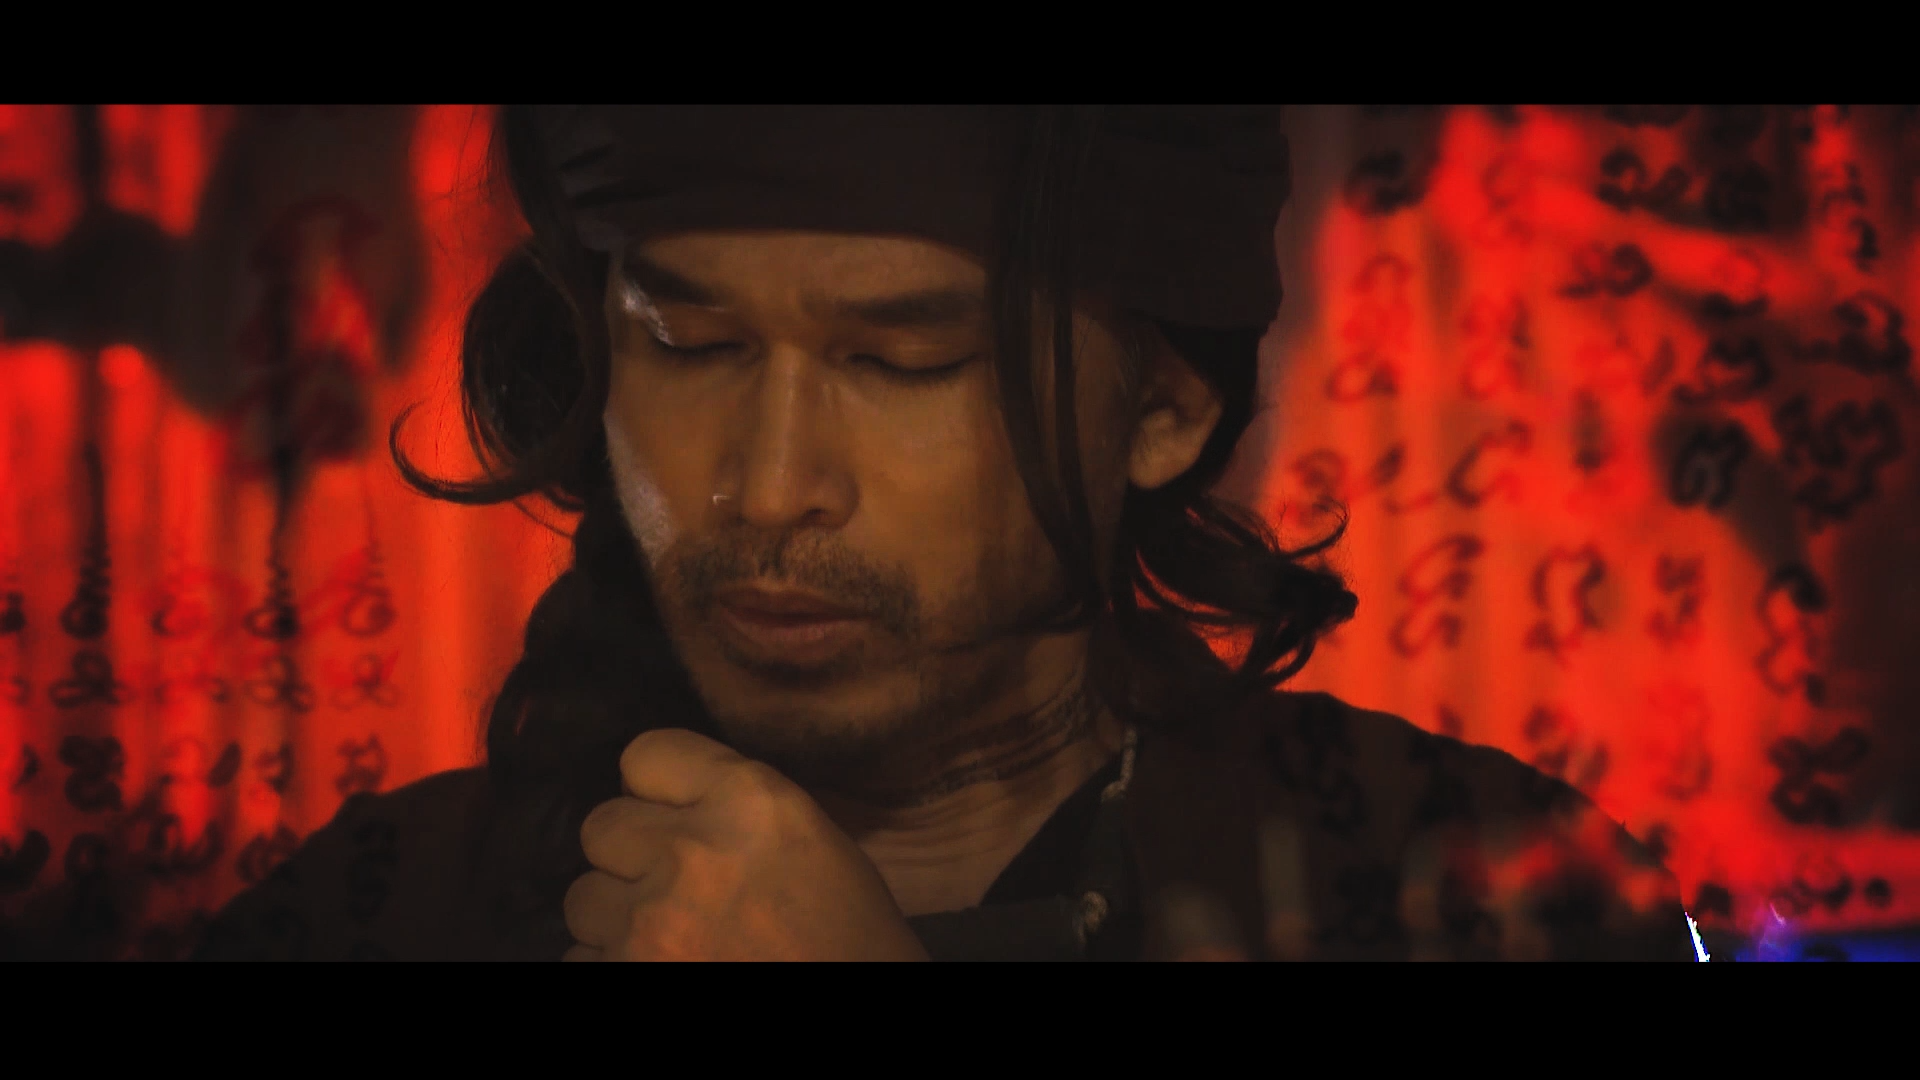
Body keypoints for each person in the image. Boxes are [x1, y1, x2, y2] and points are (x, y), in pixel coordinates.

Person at [194, 105, 1700, 961]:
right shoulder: (371, 914)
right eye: (693, 346)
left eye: (900, 362)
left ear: (1163, 408)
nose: (769, 485)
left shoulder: (1477, 888)